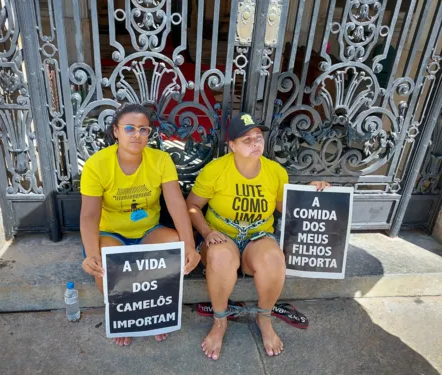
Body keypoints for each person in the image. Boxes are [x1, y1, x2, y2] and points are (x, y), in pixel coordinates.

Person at [186, 113, 329, 360]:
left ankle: (265, 318)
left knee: (274, 258)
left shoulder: (275, 171)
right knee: (220, 257)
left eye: (258, 137)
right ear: (231, 145)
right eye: (246, 139)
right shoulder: (216, 169)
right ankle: (220, 322)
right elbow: (192, 206)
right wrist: (208, 232)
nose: (255, 143)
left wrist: (312, 193)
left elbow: (285, 206)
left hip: (258, 235)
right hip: (223, 234)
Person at [80, 103, 201, 346]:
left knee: (173, 243)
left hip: (147, 232)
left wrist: (189, 247)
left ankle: (153, 316)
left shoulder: (160, 160)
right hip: (112, 232)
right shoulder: (97, 164)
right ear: (116, 131)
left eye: (143, 130)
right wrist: (91, 254)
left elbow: (177, 204)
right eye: (129, 128)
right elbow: (90, 215)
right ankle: (123, 316)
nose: (137, 135)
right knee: (105, 260)